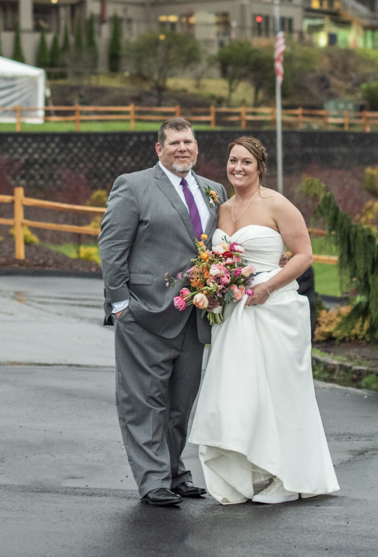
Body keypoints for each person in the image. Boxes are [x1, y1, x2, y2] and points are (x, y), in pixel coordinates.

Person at [188, 136, 339, 505]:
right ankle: (255, 471)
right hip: (234, 315)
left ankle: (291, 477)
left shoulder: (278, 205)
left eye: (246, 162)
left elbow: (304, 255)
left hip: (274, 310)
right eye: (232, 160)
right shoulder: (222, 211)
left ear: (260, 168)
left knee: (280, 393)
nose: (237, 168)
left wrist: (268, 288)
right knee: (240, 395)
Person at [98, 118, 228, 507]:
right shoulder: (133, 186)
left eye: (188, 141)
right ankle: (153, 480)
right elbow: (112, 247)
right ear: (159, 149)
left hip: (194, 315)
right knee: (144, 401)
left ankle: (174, 472)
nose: (182, 148)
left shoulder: (214, 191)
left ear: (197, 147)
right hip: (144, 313)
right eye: (173, 143)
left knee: (180, 403)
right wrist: (121, 304)